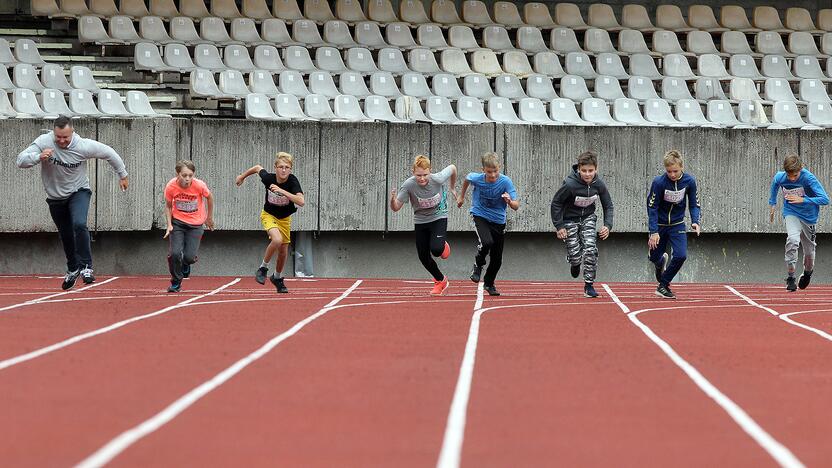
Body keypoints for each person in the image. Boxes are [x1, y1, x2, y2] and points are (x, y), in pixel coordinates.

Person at [16, 115, 129, 290]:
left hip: (78, 192)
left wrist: (122, 174)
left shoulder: (82, 146)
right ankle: (72, 269)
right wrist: (38, 156)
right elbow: (20, 160)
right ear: (53, 133)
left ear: (72, 133)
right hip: (55, 197)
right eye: (58, 137)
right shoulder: (44, 141)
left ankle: (86, 267)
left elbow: (109, 153)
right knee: (66, 234)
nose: (61, 141)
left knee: (79, 224)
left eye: (65, 137)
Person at [235, 152, 304, 294]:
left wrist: (283, 192)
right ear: (275, 167)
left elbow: (301, 201)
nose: (283, 170)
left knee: (283, 252)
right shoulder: (269, 178)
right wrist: (242, 176)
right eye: (281, 167)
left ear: (290, 169)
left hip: (284, 219)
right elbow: (257, 168)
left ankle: (277, 278)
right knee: (277, 240)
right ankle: (263, 268)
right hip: (269, 215)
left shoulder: (292, 181)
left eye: (287, 167)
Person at [550, 150, 614, 298]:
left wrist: (607, 225)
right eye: (584, 171)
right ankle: (574, 262)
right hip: (569, 220)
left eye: (590, 171)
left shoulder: (599, 184)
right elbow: (556, 203)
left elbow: (608, 205)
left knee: (591, 249)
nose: (587, 174)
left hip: (588, 218)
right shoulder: (570, 184)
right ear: (578, 169)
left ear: (596, 169)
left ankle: (589, 285)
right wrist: (559, 226)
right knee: (575, 255)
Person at [390, 155, 457, 295]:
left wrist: (452, 187)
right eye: (418, 175)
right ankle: (440, 280)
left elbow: (453, 168)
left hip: (439, 217)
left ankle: (441, 244)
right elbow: (396, 208)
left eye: (425, 175)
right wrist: (392, 200)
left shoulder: (437, 178)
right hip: (421, 221)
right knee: (423, 256)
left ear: (430, 171)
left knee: (437, 250)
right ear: (413, 172)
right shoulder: (408, 185)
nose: (422, 178)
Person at [456, 152, 520, 297]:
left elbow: (516, 206)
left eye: (495, 171)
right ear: (483, 169)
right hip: (480, 214)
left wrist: (509, 201)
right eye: (489, 172)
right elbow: (467, 179)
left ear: (500, 168)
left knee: (497, 259)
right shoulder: (477, 178)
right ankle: (478, 264)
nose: (492, 175)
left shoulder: (505, 182)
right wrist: (461, 196)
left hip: (498, 220)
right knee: (487, 242)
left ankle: (489, 283)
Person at [768, 154, 829, 291]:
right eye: (789, 175)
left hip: (809, 217)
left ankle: (807, 273)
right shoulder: (781, 176)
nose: (791, 178)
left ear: (801, 169)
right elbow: (775, 184)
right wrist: (772, 203)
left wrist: (803, 200)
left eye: (795, 176)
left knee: (809, 251)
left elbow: (825, 199)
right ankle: (791, 277)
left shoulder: (808, 178)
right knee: (793, 240)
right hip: (791, 212)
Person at [647, 150, 701, 299]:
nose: (672, 174)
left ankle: (663, 285)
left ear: (681, 167)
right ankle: (659, 262)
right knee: (654, 256)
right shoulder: (659, 183)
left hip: (677, 224)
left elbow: (694, 204)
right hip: (659, 225)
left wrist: (695, 221)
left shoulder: (689, 181)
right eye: (669, 171)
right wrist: (653, 231)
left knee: (681, 255)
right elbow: (652, 207)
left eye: (675, 171)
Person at [163, 160, 214, 293]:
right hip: (178, 222)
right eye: (184, 175)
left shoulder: (199, 185)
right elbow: (168, 206)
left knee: (189, 257)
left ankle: (186, 263)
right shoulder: (171, 186)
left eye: (190, 175)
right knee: (174, 254)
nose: (187, 179)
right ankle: (176, 282)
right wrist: (169, 224)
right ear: (178, 174)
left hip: (195, 224)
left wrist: (209, 217)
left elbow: (209, 198)